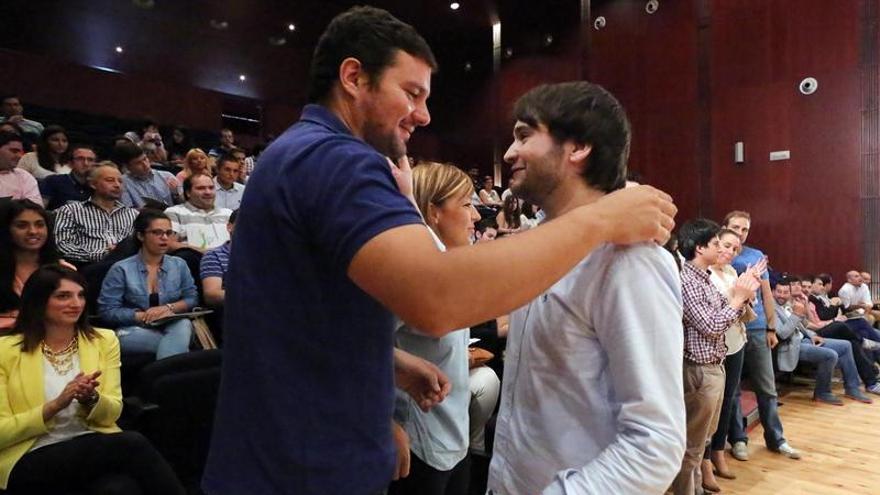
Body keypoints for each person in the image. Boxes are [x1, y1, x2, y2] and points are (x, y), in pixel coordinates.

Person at [202, 8, 676, 495]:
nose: (425, 115)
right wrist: (602, 219)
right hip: (301, 465)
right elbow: (437, 300)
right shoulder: (338, 160)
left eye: (522, 135)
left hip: (291, 453)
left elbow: (300, 319)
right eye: (411, 93)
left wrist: (379, 378)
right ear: (353, 77)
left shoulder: (301, 153)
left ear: (577, 149)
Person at [487, 82, 685, 495]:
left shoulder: (631, 261)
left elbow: (655, 442)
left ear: (577, 147)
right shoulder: (538, 244)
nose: (508, 153)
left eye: (524, 135)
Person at [0, 265, 185, 494]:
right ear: (38, 301)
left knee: (120, 489)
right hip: (30, 454)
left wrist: (92, 398)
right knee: (132, 444)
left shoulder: (103, 341)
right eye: (63, 296)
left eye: (80, 295)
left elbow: (113, 412)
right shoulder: (5, 351)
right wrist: (56, 405)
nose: (76, 303)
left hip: (92, 442)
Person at [388, 162, 485, 495]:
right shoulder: (413, 273)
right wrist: (386, 421)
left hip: (453, 434)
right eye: (467, 204)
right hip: (418, 441)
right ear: (434, 213)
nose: (475, 216)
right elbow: (357, 344)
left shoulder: (447, 264)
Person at [723, 211, 800, 461]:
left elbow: (767, 294)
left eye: (745, 229)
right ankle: (738, 439)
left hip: (756, 330)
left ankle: (776, 438)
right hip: (730, 328)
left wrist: (771, 327)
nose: (740, 232)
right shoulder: (722, 252)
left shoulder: (755, 256)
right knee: (732, 389)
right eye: (736, 227)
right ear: (725, 227)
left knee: (767, 388)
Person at [97, 210, 196, 359]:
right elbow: (107, 311)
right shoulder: (121, 269)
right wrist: (144, 316)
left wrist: (167, 308)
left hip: (171, 325)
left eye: (169, 233)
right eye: (157, 232)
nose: (164, 238)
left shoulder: (179, 264)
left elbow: (191, 298)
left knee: (183, 324)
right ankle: (177, 365)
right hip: (134, 329)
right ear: (140, 235)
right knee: (176, 343)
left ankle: (167, 376)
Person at [705, 228, 759, 487]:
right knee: (709, 404)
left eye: (735, 249)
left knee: (728, 400)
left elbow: (740, 308)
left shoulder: (731, 272)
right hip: (711, 346)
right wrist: (738, 297)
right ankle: (704, 459)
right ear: (713, 243)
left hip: (735, 341)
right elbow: (715, 313)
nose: (728, 252)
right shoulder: (700, 272)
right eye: (725, 245)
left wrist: (748, 296)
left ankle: (718, 451)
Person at [773, 278, 873, 404]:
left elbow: (802, 326)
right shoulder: (772, 309)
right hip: (791, 346)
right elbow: (782, 334)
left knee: (846, 345)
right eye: (779, 292)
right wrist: (796, 315)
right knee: (830, 355)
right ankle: (822, 392)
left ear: (789, 293)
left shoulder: (788, 305)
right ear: (772, 292)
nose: (782, 295)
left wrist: (811, 335)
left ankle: (852, 388)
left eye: (785, 292)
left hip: (805, 339)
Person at [0, 200, 71, 331]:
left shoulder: (64, 270)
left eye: (39, 225)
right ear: (6, 230)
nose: (33, 231)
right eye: (22, 226)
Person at [53, 165, 138, 266]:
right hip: (88, 266)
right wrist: (102, 254)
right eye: (110, 180)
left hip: (128, 266)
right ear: (93, 184)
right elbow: (63, 245)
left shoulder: (133, 214)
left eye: (120, 181)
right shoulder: (70, 211)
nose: (117, 185)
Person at [164, 174, 232, 252]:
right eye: (201, 188)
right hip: (194, 260)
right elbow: (169, 244)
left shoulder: (228, 214)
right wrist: (205, 252)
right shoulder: (174, 212)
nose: (208, 192)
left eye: (211, 188)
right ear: (188, 193)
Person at [115, 141, 178, 208]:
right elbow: (127, 211)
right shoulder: (122, 183)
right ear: (127, 166)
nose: (145, 164)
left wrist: (176, 194)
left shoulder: (167, 176)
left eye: (145, 159)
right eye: (138, 163)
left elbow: (185, 204)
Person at [39, 144, 97, 210]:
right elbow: (39, 210)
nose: (86, 163)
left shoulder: (97, 187)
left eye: (90, 160)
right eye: (80, 159)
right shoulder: (53, 181)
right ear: (70, 163)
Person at [200, 209, 237, 307]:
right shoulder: (214, 255)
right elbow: (212, 295)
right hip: (234, 309)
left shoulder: (267, 255)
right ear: (229, 227)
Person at [0, 131, 41, 204]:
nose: (19, 156)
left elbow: (35, 209)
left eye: (20, 152)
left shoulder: (24, 176)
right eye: (14, 151)